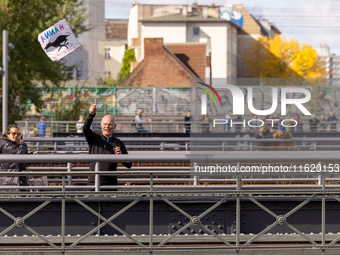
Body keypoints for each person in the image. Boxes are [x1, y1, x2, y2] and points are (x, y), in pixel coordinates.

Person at [84, 104, 132, 188]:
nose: (107, 127)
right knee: (91, 201)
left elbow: (129, 165)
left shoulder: (118, 143)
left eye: (110, 124)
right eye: (105, 124)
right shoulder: (94, 138)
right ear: (101, 125)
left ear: (114, 126)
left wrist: (121, 156)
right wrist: (91, 115)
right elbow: (85, 129)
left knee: (110, 202)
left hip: (111, 183)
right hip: (93, 181)